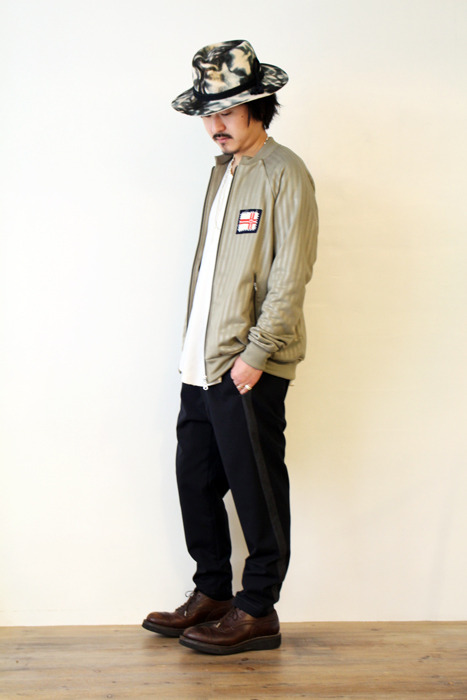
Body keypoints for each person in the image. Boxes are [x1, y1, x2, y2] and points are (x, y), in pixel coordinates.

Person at [143, 39, 318, 655]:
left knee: (256, 489)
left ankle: (258, 610)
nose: (215, 125)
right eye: (207, 113)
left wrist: (257, 354)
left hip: (247, 366)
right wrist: (195, 353)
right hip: (202, 363)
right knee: (194, 479)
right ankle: (213, 592)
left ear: (258, 107)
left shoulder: (284, 172)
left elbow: (291, 274)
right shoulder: (223, 171)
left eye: (227, 111)